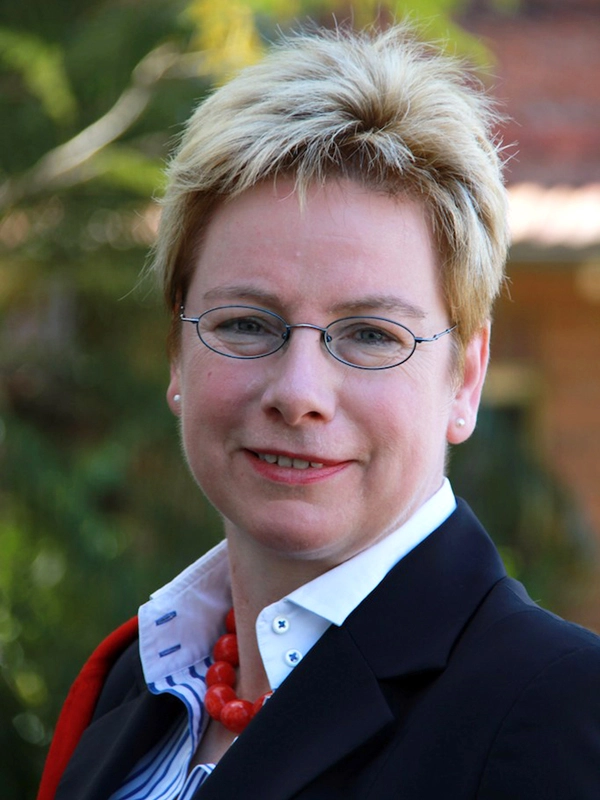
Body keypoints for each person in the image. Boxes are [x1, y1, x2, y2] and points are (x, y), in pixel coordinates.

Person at [38, 23, 600, 800]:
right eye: (246, 323)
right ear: (177, 354)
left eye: (371, 334)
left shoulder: (559, 712)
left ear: (465, 379)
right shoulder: (134, 685)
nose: (299, 392)